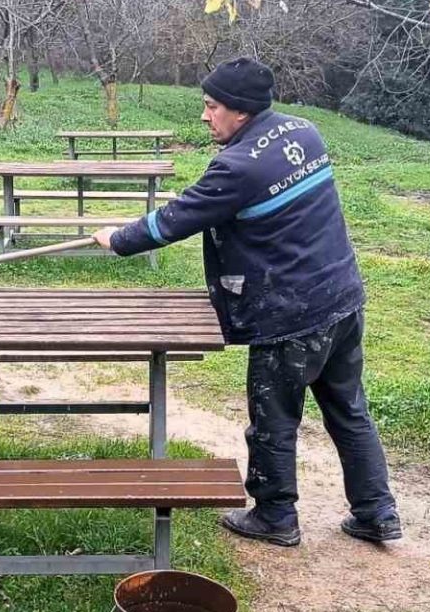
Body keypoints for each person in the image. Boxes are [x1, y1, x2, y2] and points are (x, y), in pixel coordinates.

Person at [93, 57, 400, 547]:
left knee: (273, 420)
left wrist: (117, 239)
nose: (204, 116)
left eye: (211, 106)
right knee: (349, 409)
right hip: (343, 298)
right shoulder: (304, 131)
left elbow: (175, 219)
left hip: (291, 315)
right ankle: (377, 513)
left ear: (241, 111)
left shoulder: (237, 167)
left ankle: (275, 516)